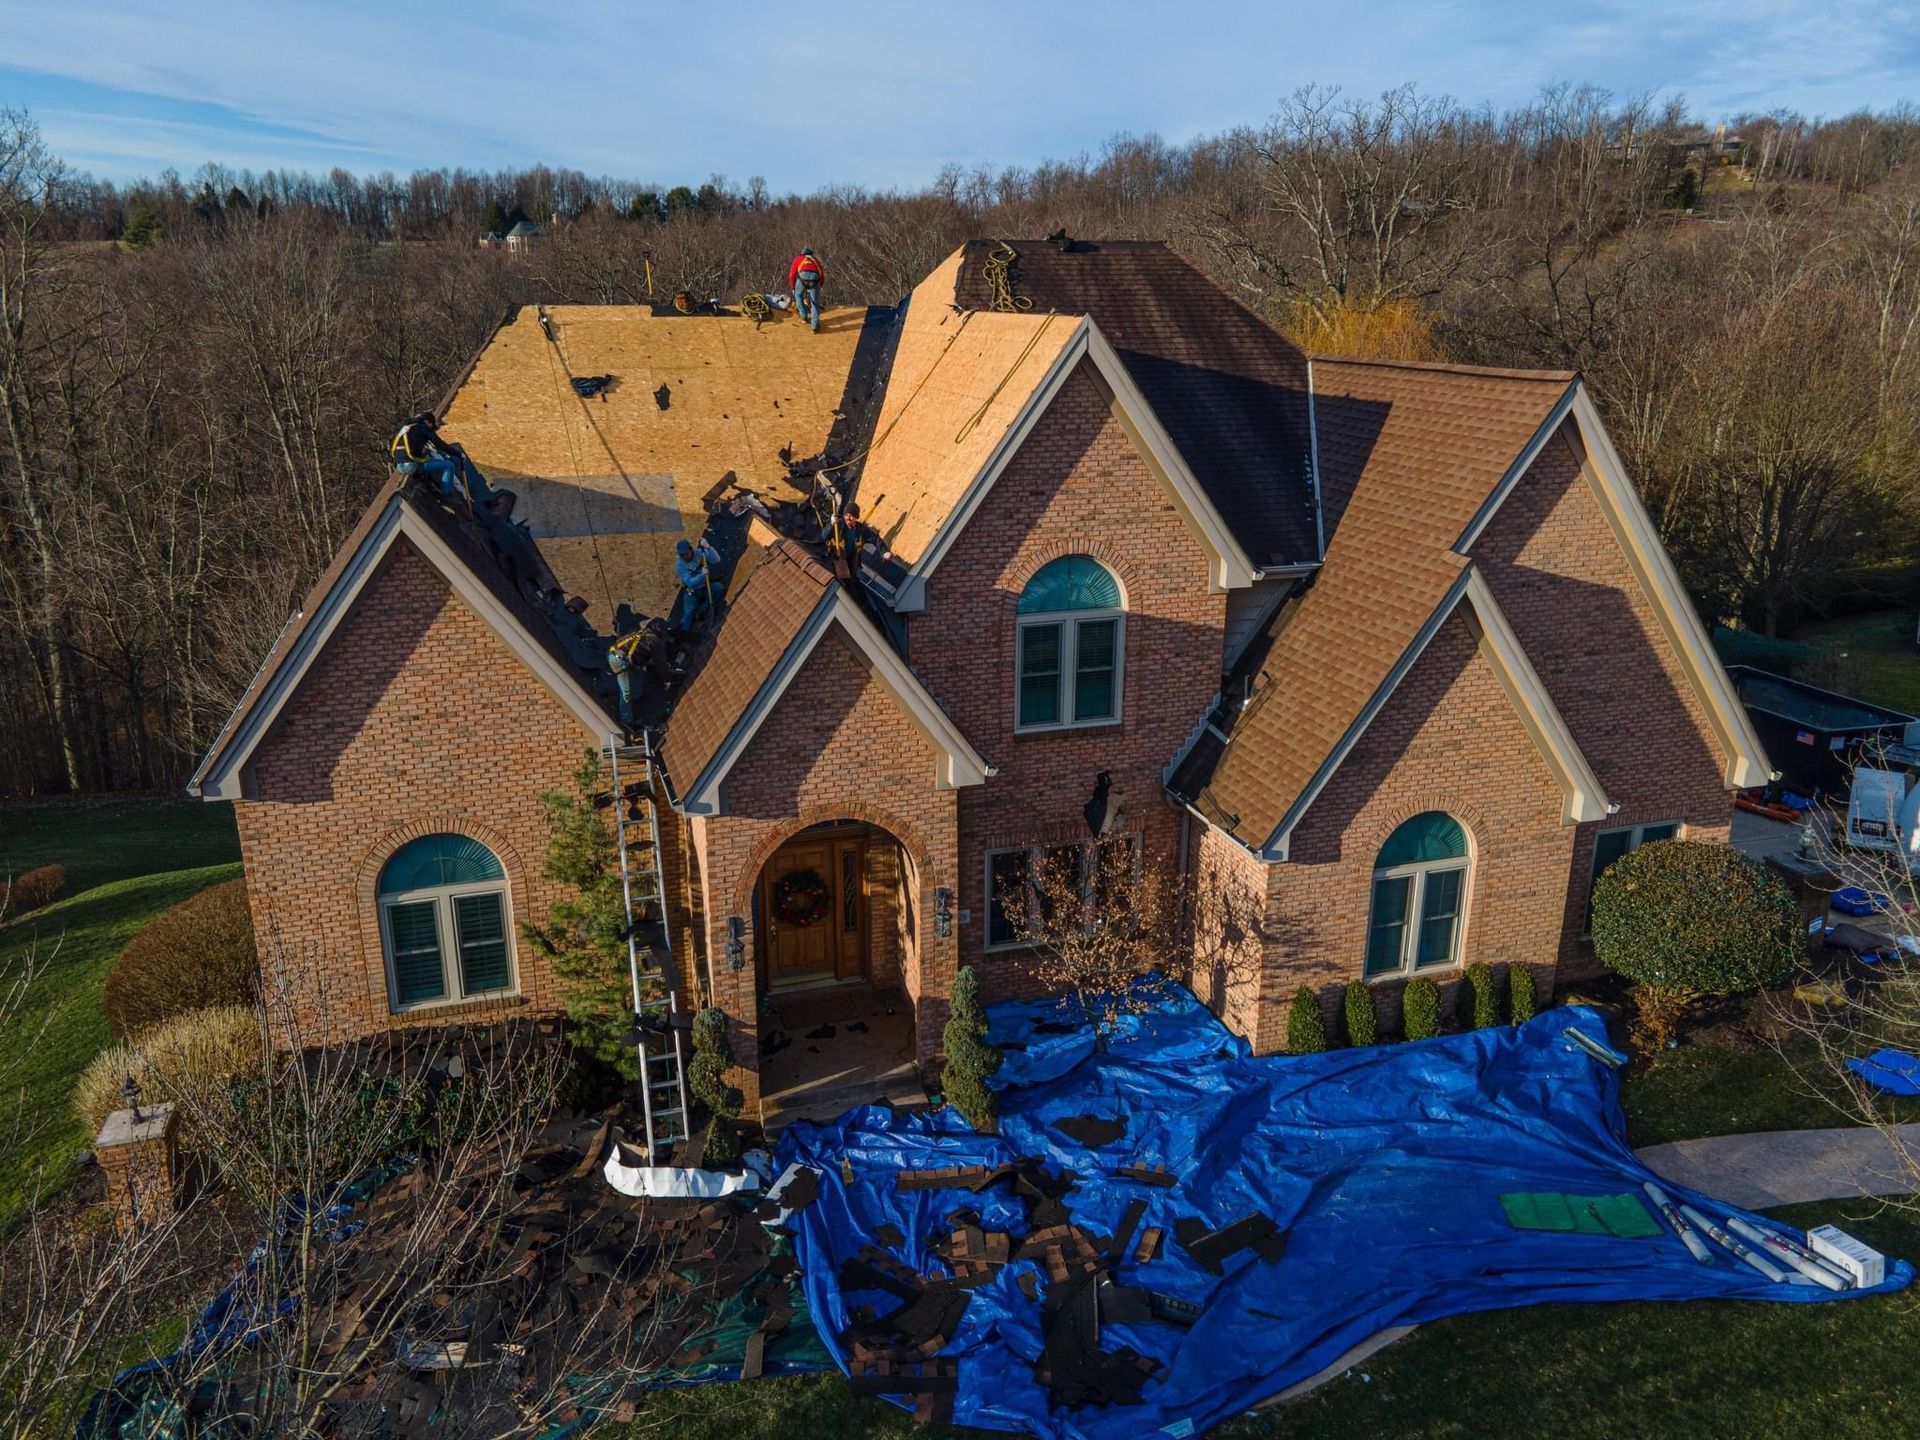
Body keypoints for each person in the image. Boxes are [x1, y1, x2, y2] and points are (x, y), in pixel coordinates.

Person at [391, 412, 484, 511]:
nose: (431, 428)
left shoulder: (406, 427)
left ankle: (431, 485)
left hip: (399, 465)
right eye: (431, 425)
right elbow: (440, 445)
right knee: (448, 466)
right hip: (411, 465)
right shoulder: (423, 427)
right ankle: (447, 496)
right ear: (428, 422)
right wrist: (458, 454)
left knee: (429, 461)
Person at [670, 536, 722, 631]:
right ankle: (683, 633)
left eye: (686, 554)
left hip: (705, 586)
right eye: (682, 555)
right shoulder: (680, 565)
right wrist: (702, 575)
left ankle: (701, 611)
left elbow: (716, 560)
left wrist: (708, 547)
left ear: (690, 549)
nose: (685, 557)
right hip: (692, 591)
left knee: (719, 588)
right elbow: (690, 583)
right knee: (688, 613)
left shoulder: (699, 553)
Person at [788, 247, 824, 331]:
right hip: (815, 279)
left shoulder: (798, 258)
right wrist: (819, 287)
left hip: (802, 278)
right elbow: (822, 275)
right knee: (815, 302)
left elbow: (792, 275)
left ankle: (803, 316)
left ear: (802, 253)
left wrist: (793, 287)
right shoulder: (815, 260)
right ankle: (814, 326)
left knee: (798, 295)